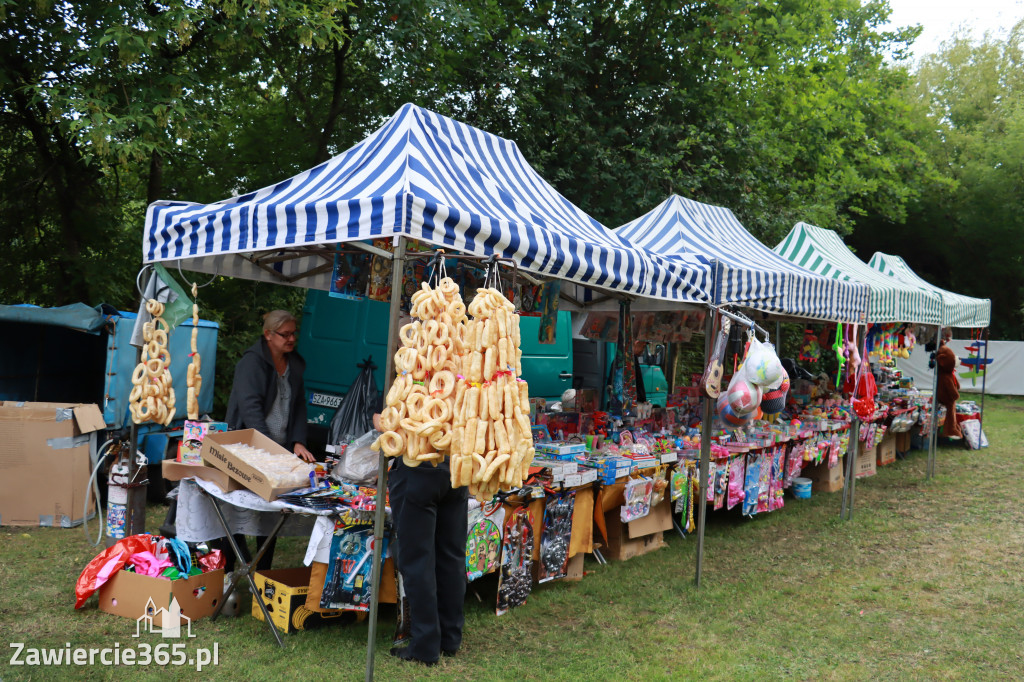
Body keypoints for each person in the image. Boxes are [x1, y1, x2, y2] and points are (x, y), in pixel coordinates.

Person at [220, 310, 314, 575]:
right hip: (249, 449)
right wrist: (268, 451)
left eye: (294, 333)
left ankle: (263, 574)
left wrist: (297, 441)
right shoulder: (251, 363)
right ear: (268, 335)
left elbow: (298, 406)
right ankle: (227, 571)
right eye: (285, 334)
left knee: (272, 513)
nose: (291, 338)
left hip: (279, 450)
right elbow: (250, 410)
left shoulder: (293, 364)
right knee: (236, 511)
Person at [381, 417, 468, 666]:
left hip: (416, 466)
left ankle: (426, 645)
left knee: (418, 561)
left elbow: (392, 422)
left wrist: (378, 420)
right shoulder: (462, 379)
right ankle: (450, 638)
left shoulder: (408, 380)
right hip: (454, 466)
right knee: (451, 556)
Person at [935, 329, 963, 439]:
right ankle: (951, 430)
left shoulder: (949, 373)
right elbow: (951, 388)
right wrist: (955, 395)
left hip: (948, 397)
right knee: (951, 413)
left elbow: (956, 383)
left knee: (953, 412)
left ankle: (954, 427)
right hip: (948, 398)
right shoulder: (945, 376)